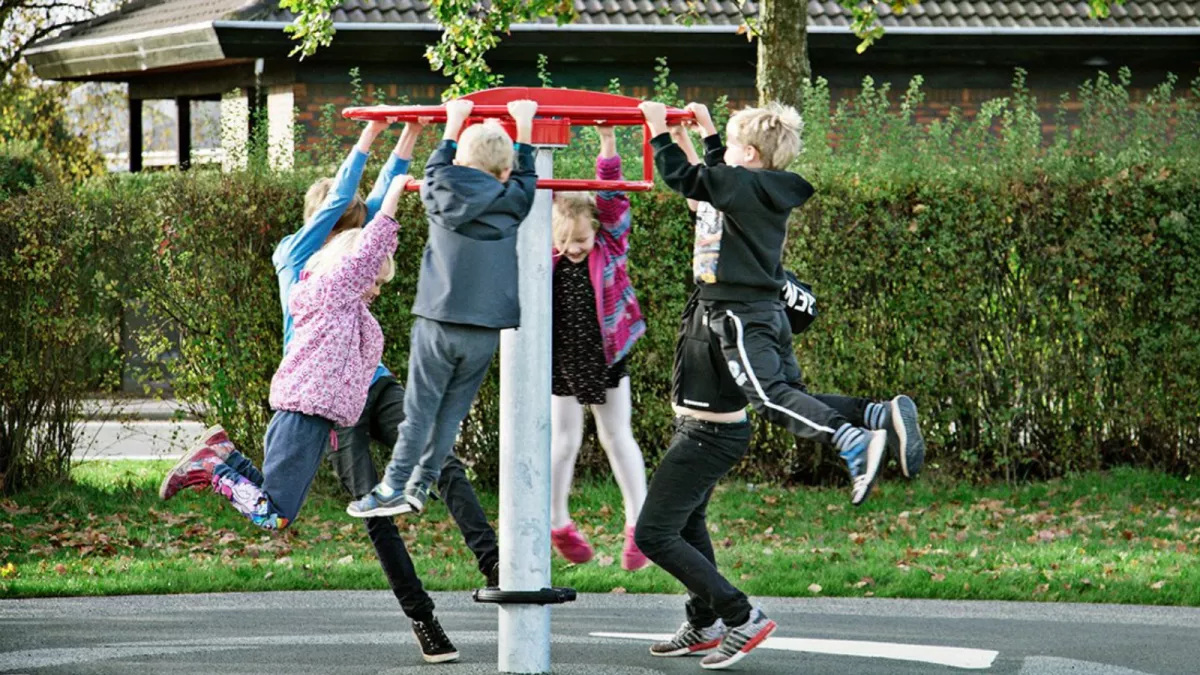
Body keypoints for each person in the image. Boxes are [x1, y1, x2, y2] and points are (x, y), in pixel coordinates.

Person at [275, 120, 498, 662]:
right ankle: (424, 620)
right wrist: (373, 133)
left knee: (437, 456)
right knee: (375, 512)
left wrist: (411, 134)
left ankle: (494, 561)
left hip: (373, 383)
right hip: (330, 402)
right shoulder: (296, 256)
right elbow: (348, 200)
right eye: (340, 226)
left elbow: (378, 200)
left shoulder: (351, 244)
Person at [641, 100, 925, 506]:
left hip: (738, 313)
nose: (724, 156)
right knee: (790, 392)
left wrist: (658, 132)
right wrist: (706, 134)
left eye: (732, 147)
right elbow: (710, 185)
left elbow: (685, 178)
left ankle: (852, 441)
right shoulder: (753, 189)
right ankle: (876, 415)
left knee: (771, 398)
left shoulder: (739, 187)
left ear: (749, 154)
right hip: (767, 311)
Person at [348, 99, 540, 518]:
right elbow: (526, 176)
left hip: (439, 319)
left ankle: (393, 486)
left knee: (419, 411)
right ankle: (421, 484)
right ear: (504, 172)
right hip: (485, 328)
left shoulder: (439, 189)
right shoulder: (513, 200)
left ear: (459, 162)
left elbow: (438, 163)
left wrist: (454, 120)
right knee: (451, 414)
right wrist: (524, 125)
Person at [548, 126, 649, 571]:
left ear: (597, 233)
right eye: (565, 242)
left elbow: (612, 199)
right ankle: (558, 524)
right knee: (563, 440)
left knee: (616, 436)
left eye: (581, 241)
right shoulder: (546, 253)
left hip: (606, 355)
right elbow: (530, 197)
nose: (573, 249)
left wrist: (607, 144)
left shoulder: (610, 244)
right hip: (563, 360)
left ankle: (639, 524)